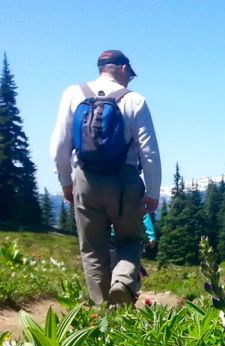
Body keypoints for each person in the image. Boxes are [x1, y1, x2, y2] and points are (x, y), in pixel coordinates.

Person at [50, 50, 161, 305]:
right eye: (129, 75)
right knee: (130, 239)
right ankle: (122, 282)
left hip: (86, 180)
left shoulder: (72, 94)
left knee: (92, 249)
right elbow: (149, 152)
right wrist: (152, 193)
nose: (129, 81)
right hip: (125, 182)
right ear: (122, 69)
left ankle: (103, 312)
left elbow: (59, 146)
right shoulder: (135, 100)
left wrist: (66, 183)